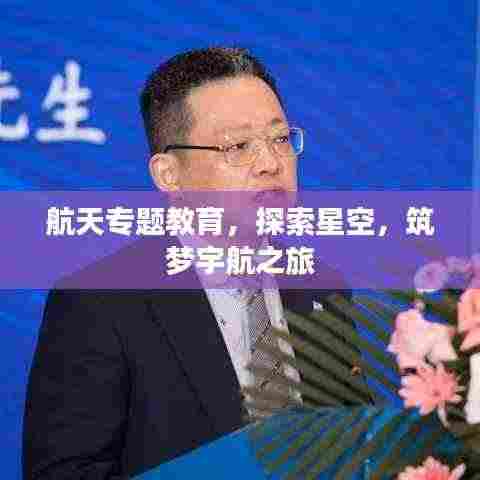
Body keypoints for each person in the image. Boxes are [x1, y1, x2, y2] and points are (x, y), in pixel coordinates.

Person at [22, 47, 350, 479]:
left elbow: (354, 446)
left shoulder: (320, 286)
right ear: (169, 174)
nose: (271, 164)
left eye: (280, 139)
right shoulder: (100, 303)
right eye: (238, 146)